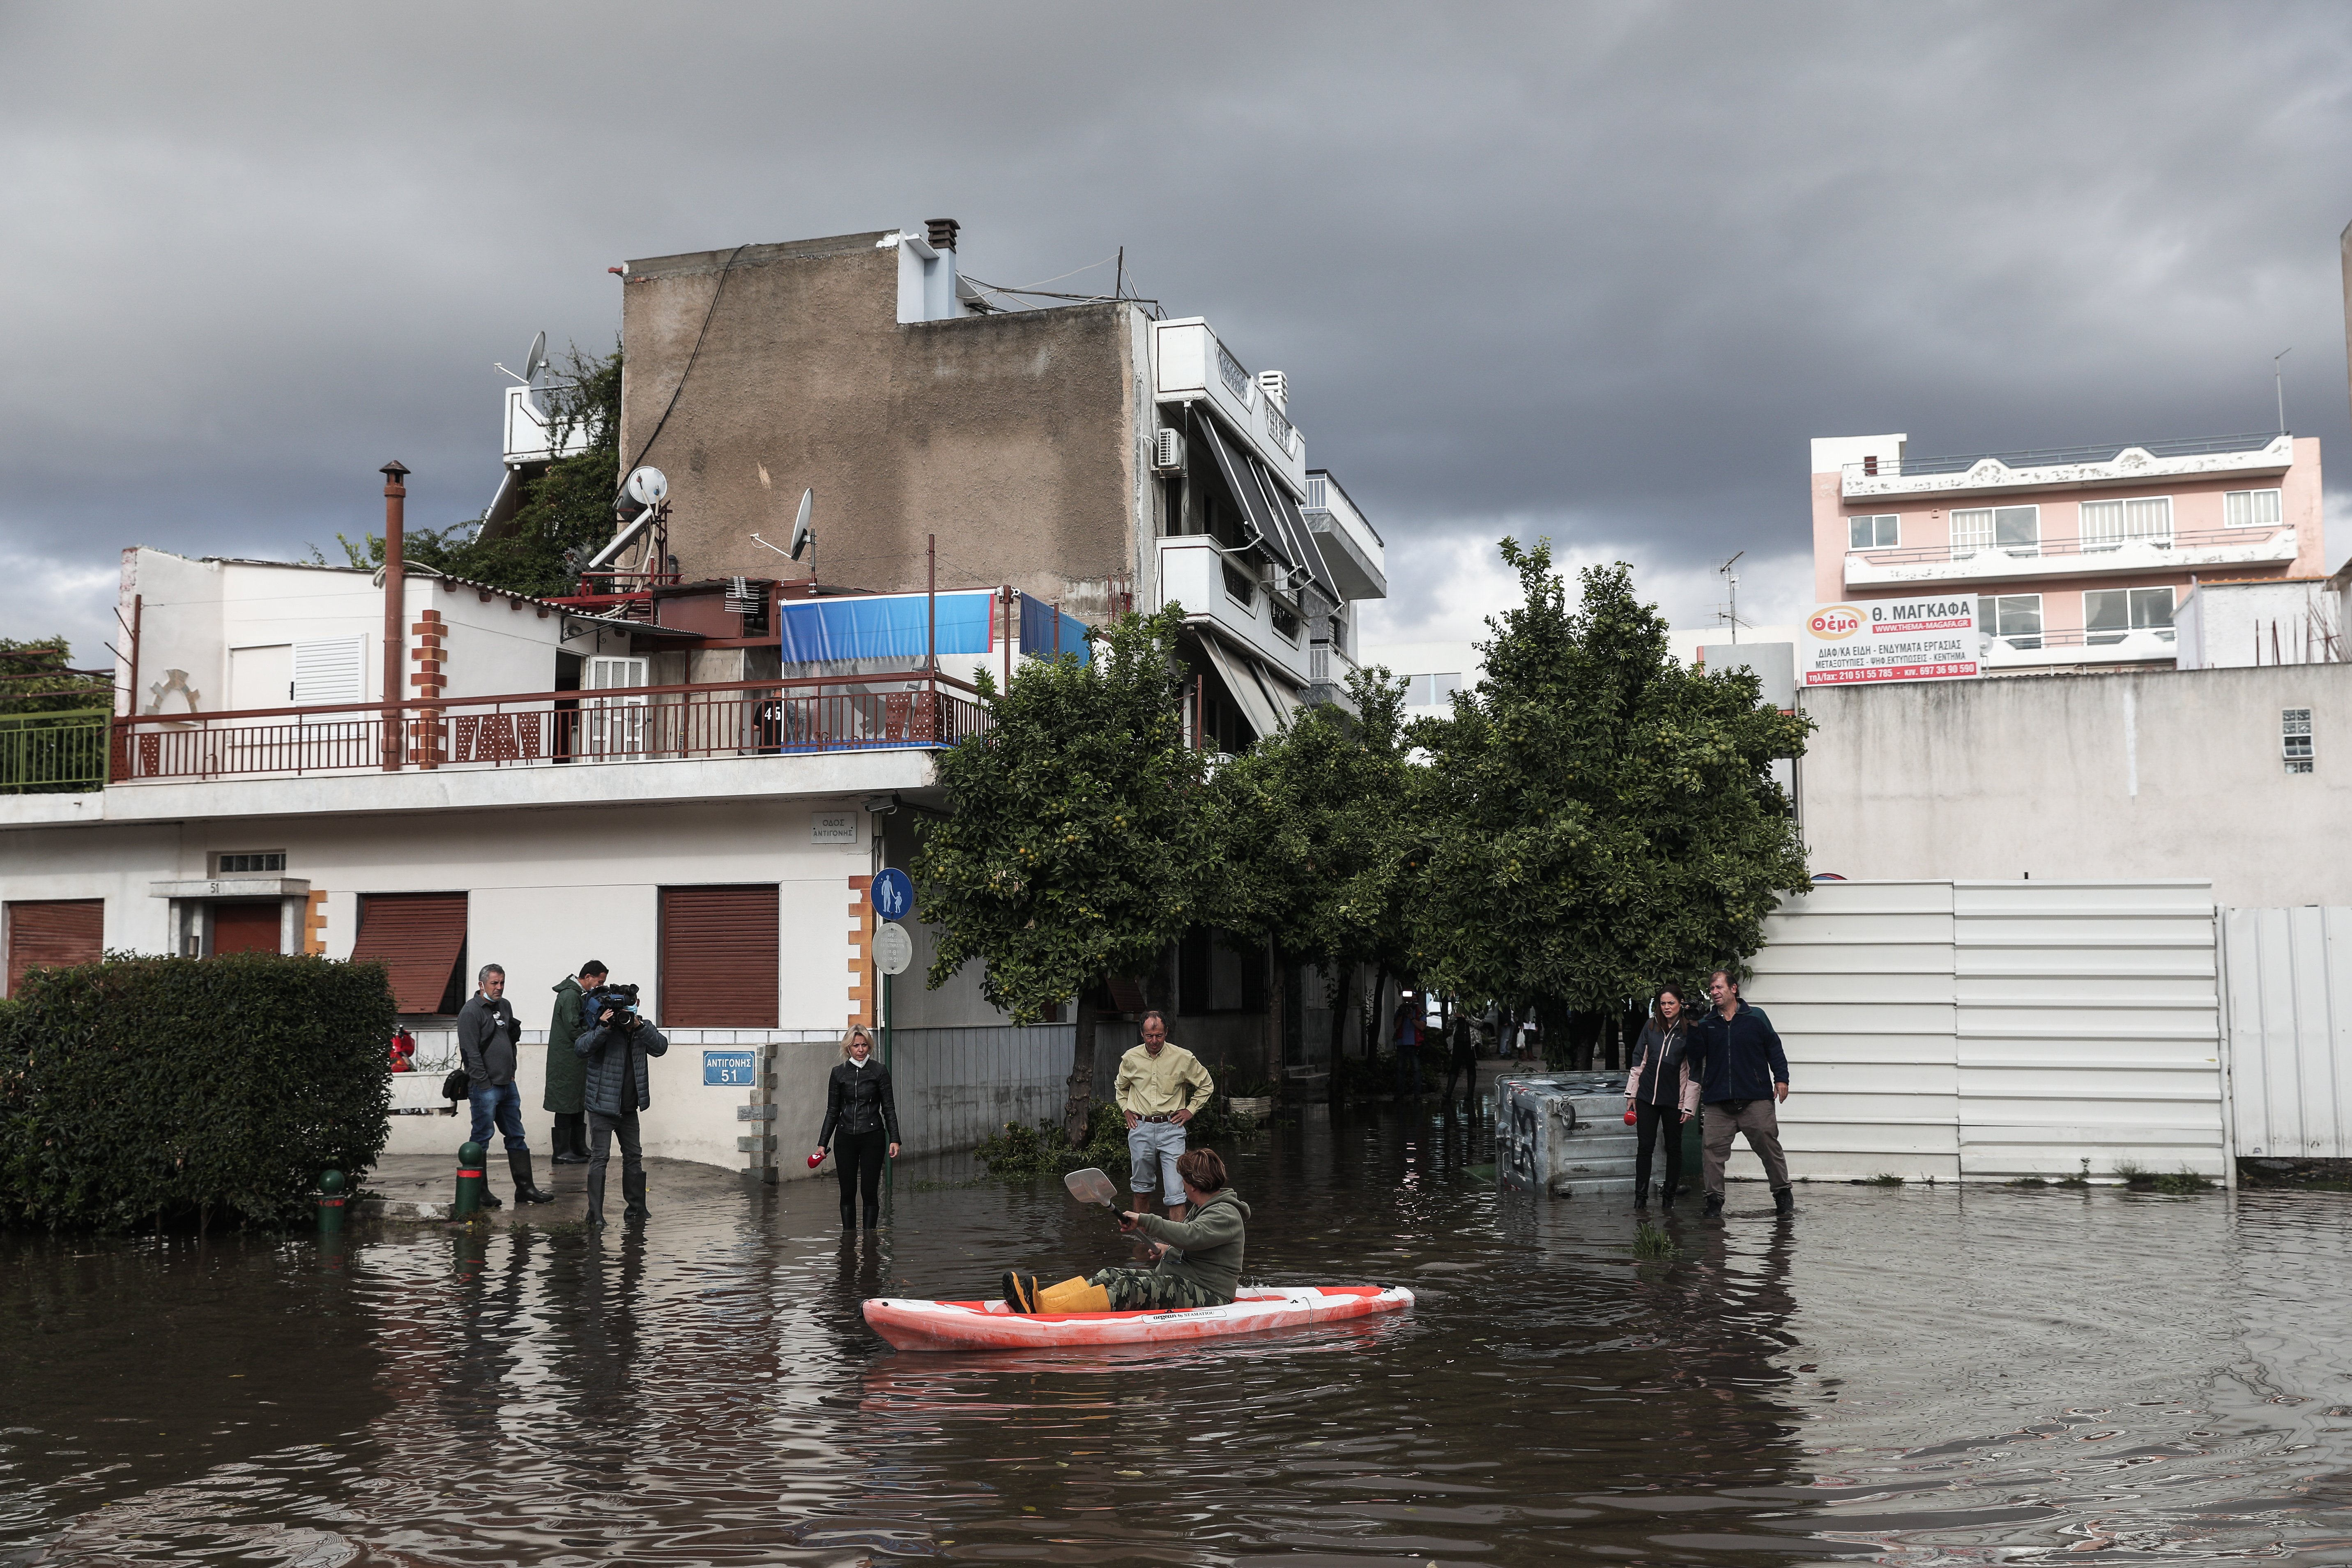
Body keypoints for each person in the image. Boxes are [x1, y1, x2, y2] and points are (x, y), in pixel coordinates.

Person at [1002, 1148, 1249, 1314]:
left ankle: (1045, 1310)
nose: (1181, 1183)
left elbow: (1192, 1236)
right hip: (1187, 1281)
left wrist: (1144, 1220)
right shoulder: (1204, 1206)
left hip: (1209, 1294)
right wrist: (1167, 1249)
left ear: (1194, 1185)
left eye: (1184, 1178)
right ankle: (1039, 1300)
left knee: (1128, 1289)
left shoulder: (1225, 1214)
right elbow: (1195, 1242)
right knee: (1111, 1274)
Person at [1685, 968, 1793, 1218]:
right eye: (1711, 989)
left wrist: (1782, 1079)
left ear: (1733, 989)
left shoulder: (1756, 1017)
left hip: (1755, 1098)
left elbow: (1774, 1048)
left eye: (1719, 988)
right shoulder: (1706, 1023)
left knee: (1769, 1147)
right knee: (1711, 1153)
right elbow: (1695, 1054)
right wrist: (1692, 1024)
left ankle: (1783, 1195)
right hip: (1718, 1102)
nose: (1714, 993)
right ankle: (1714, 1203)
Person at [575, 982, 671, 1227]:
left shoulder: (641, 1027)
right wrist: (604, 1028)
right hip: (602, 1107)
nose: (625, 1014)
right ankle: (595, 1215)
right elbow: (581, 1049)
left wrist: (638, 1026)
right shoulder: (602, 1026)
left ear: (637, 1006)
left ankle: (637, 1209)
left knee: (634, 1158)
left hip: (629, 1108)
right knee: (600, 1158)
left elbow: (661, 1048)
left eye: (631, 1007)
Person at [458, 963, 551, 1207]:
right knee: (482, 1137)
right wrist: (484, 1083)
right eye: (494, 984)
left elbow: (510, 1041)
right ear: (481, 985)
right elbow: (470, 1052)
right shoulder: (470, 1012)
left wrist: (511, 1074)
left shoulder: (504, 1006)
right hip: (485, 1087)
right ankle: (479, 1192)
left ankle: (525, 1189)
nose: (499, 988)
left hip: (507, 1084)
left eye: (502, 983)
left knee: (516, 1135)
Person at [1115, 1011, 1215, 1220]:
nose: (1155, 1041)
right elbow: (1121, 1087)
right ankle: (1142, 1245)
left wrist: (1190, 1110)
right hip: (1140, 1128)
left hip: (1172, 1129)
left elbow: (1206, 1085)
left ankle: (1177, 1247)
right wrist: (1126, 1110)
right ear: (1142, 1034)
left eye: (1159, 1036)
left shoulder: (1183, 1058)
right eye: (1150, 1036)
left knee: (1176, 1193)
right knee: (1141, 1189)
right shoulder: (1130, 1058)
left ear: (1166, 1032)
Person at [814, 1025, 900, 1230]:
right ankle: (848, 1237)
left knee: (869, 1191)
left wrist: (895, 1138)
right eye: (856, 1046)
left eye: (864, 1045)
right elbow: (832, 1111)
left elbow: (888, 1107)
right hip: (845, 1137)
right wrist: (821, 1145)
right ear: (848, 1048)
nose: (861, 1050)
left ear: (869, 1047)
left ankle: (870, 1239)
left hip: (873, 1136)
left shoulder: (879, 1071)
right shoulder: (838, 1073)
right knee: (847, 1191)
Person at [1624, 985, 1697, 1205]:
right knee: (1645, 1148)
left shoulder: (1689, 1030)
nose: (1667, 1008)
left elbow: (1695, 1069)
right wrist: (1631, 1093)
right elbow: (1639, 1060)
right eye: (1663, 1003)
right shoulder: (1651, 1025)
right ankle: (1641, 1199)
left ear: (1681, 1004)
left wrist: (1689, 1105)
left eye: (1671, 1003)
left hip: (1674, 1100)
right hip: (1646, 1097)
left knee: (1674, 1148)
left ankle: (1669, 1199)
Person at [544, 960, 607, 1165]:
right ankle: (562, 1151)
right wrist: (595, 1035)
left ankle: (578, 1147)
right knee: (565, 1105)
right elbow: (574, 1028)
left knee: (578, 1102)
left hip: (576, 1059)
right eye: (599, 982)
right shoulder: (570, 995)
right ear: (587, 977)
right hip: (566, 1060)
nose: (599, 986)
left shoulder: (578, 995)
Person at [1441, 1006, 1479, 1107]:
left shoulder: (1476, 1007)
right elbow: (1449, 1025)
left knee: (1471, 1067)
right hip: (1458, 1041)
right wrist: (1455, 1017)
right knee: (1455, 1067)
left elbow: (1480, 1023)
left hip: (1471, 1042)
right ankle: (1449, 1092)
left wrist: (1467, 1018)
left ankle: (1470, 1094)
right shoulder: (1457, 1008)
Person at [1392, 999, 1425, 1096]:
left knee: (1416, 1069)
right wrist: (1402, 1013)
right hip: (1402, 1044)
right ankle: (1400, 1093)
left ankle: (1417, 1094)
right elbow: (1397, 1026)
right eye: (1408, 1001)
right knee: (1400, 1069)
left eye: (1414, 1000)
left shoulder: (1420, 1012)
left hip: (1415, 1045)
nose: (1410, 1003)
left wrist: (1411, 1017)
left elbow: (1422, 1027)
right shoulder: (1400, 1011)